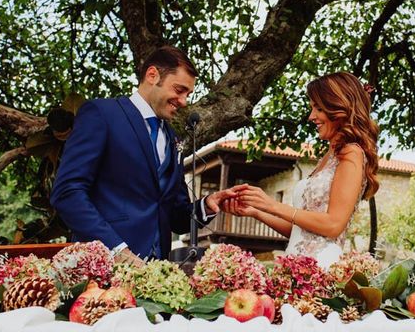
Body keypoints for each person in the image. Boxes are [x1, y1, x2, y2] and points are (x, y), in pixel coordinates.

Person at [50, 45, 235, 266]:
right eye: (179, 90)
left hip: (156, 275)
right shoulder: (101, 114)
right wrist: (116, 249)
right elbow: (67, 192)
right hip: (102, 270)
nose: (184, 101)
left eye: (188, 94)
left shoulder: (172, 137)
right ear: (152, 75)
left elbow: (175, 216)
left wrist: (206, 205)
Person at [222, 72, 379, 268]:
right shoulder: (329, 156)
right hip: (296, 266)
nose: (311, 116)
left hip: (322, 267)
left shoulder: (352, 153)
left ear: (340, 109)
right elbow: (300, 231)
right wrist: (256, 211)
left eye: (318, 108)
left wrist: (272, 205)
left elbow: (333, 225)